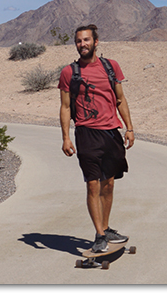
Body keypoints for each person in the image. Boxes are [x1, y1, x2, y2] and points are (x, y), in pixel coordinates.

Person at [58, 24, 135, 254]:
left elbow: (120, 99)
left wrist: (129, 128)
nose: (82, 44)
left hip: (111, 132)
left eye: (86, 40)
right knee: (93, 184)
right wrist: (65, 137)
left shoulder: (111, 67)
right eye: (79, 41)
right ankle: (100, 235)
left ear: (96, 42)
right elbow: (64, 106)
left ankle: (106, 227)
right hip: (86, 133)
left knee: (108, 183)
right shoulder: (69, 73)